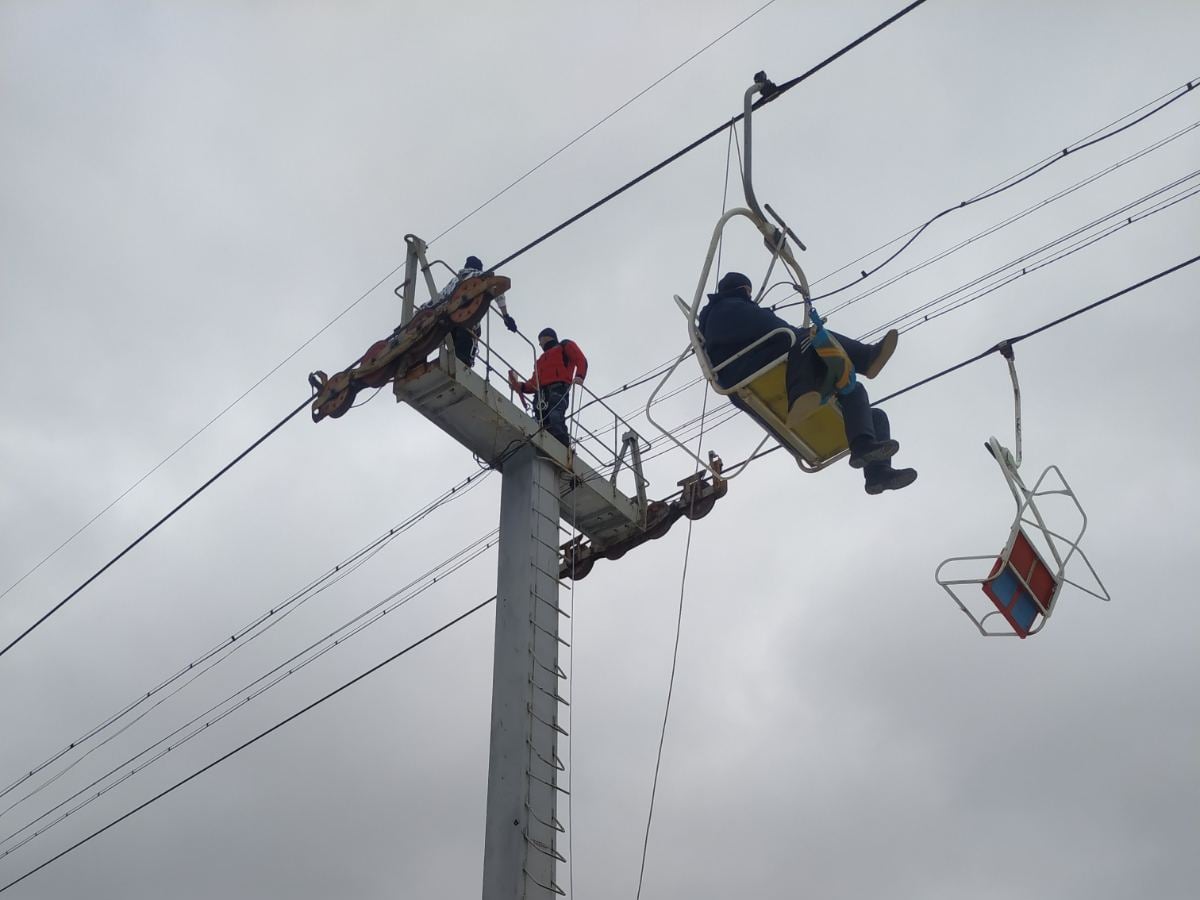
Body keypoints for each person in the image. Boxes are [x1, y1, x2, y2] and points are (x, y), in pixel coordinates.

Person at [698, 271, 917, 495]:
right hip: (748, 369)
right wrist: (810, 337)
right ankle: (854, 365)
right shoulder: (726, 309)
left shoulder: (730, 311)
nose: (749, 296)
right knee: (811, 336)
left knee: (864, 402)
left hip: (767, 363)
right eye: (747, 291)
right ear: (741, 289)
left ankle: (873, 463)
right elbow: (772, 326)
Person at [508, 328, 588, 447]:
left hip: (558, 389)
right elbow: (534, 382)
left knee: (555, 416)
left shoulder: (564, 346)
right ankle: (546, 445)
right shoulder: (540, 361)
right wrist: (521, 386)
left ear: (545, 337)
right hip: (541, 395)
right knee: (542, 421)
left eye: (540, 341)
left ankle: (562, 445)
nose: (539, 344)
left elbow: (580, 359)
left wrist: (580, 375)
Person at [435, 255, 518, 366]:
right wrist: (506, 316)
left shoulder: (454, 281)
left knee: (449, 352)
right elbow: (498, 293)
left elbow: (439, 299)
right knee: (462, 361)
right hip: (466, 326)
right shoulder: (479, 276)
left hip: (446, 327)